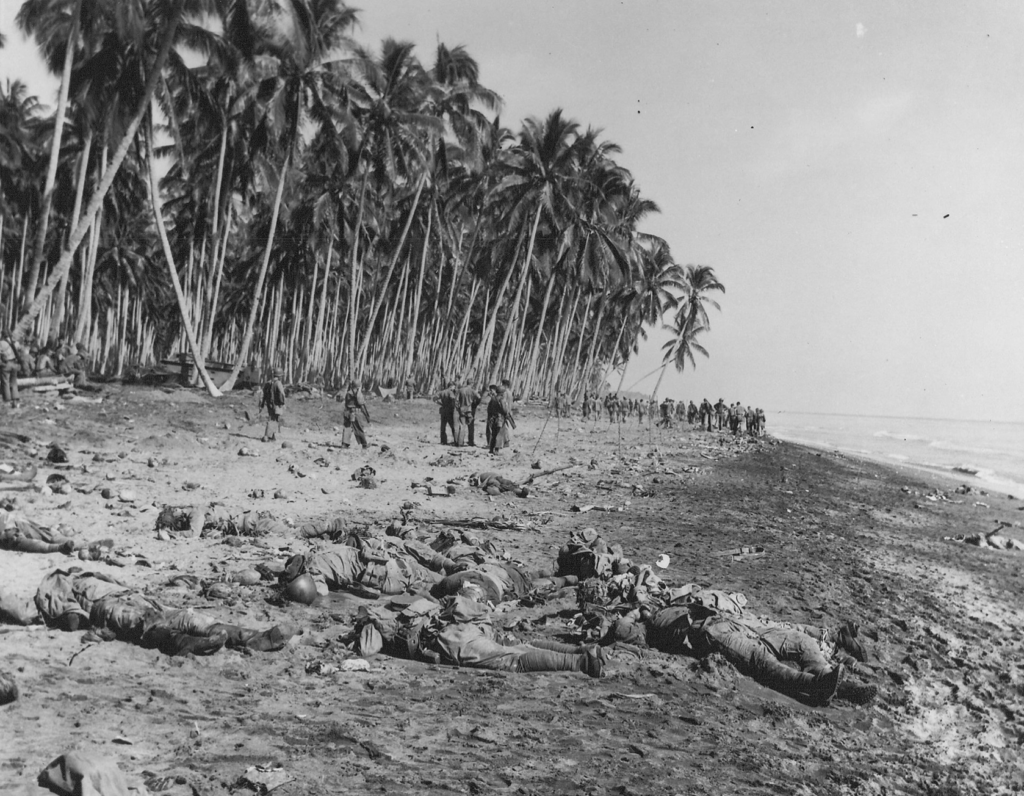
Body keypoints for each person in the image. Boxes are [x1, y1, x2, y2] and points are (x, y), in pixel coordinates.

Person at [30, 568, 298, 656]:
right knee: (145, 624)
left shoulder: (86, 574)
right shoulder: (57, 584)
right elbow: (71, 618)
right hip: (107, 608)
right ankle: (193, 644)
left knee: (184, 615)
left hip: (134, 598)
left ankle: (250, 637)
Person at [356, 594, 604, 678]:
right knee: (519, 645)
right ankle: (580, 651)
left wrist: (361, 630)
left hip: (450, 640)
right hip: (464, 625)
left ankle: (580, 663)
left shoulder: (375, 622)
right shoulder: (411, 604)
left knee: (512, 661)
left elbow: (368, 650)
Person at [341, 379, 371, 448]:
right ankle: (364, 444)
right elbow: (361, 404)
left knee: (347, 428)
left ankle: (344, 444)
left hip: (347, 412)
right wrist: (366, 415)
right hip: (354, 413)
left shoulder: (348, 393)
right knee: (358, 428)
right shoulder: (358, 393)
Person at [259, 370, 286, 442]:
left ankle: (272, 436)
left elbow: (263, 395)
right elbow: (281, 394)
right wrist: (282, 403)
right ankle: (267, 436)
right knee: (273, 420)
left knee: (273, 418)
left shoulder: (268, 383)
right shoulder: (278, 383)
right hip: (276, 405)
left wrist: (261, 405)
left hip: (269, 404)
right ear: (279, 376)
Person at [456, 380, 481, 446]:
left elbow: (456, 400)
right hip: (470, 410)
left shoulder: (460, 390)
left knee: (462, 426)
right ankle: (471, 442)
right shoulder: (472, 391)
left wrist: (458, 408)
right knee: (471, 426)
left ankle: (460, 443)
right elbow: (479, 397)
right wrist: (475, 404)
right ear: (472, 383)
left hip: (462, 409)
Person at [0, 328, 20, 409]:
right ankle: (15, 400)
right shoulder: (15, 343)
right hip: (14, 363)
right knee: (14, 382)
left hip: (6, 364)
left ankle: (7, 401)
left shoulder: (1, 343)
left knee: (5, 382)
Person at [435, 379, 459, 445]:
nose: (454, 388)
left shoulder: (442, 392)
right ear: (452, 386)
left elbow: (434, 399)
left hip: (443, 410)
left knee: (443, 426)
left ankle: (443, 441)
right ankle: (456, 440)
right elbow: (453, 399)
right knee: (453, 426)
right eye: (454, 386)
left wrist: (441, 404)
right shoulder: (450, 392)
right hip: (449, 411)